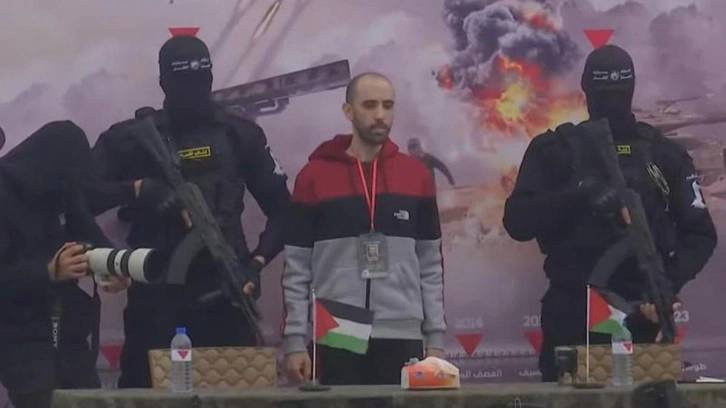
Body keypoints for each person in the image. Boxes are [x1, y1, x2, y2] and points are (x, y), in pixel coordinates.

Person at [502, 44, 717, 382]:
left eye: (617, 94)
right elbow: (518, 221)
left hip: (642, 307)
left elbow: (701, 234)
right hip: (575, 308)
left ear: (585, 89)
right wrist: (582, 196)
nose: (612, 102)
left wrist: (665, 286)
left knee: (644, 396)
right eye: (609, 94)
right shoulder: (557, 150)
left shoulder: (662, 155)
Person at [87, 34, 291, 388]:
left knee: (233, 396)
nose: (194, 91)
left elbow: (284, 211)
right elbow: (80, 197)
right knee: (145, 396)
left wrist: (256, 264)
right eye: (183, 81)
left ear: (211, 78)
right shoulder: (131, 139)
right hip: (155, 300)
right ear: (163, 82)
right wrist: (140, 190)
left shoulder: (238, 134)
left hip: (226, 295)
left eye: (201, 79)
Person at [282, 72, 446, 386]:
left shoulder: (415, 175)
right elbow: (297, 268)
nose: (380, 114)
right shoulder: (314, 176)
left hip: (401, 328)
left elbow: (430, 265)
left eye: (388, 105)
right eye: (369, 105)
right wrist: (294, 341)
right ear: (348, 111)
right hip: (338, 327)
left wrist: (435, 339)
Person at [0, 121, 124, 408]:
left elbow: (87, 230)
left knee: (87, 400)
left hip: (66, 326)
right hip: (19, 334)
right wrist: (47, 272)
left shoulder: (63, 187)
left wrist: (113, 264)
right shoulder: (4, 193)